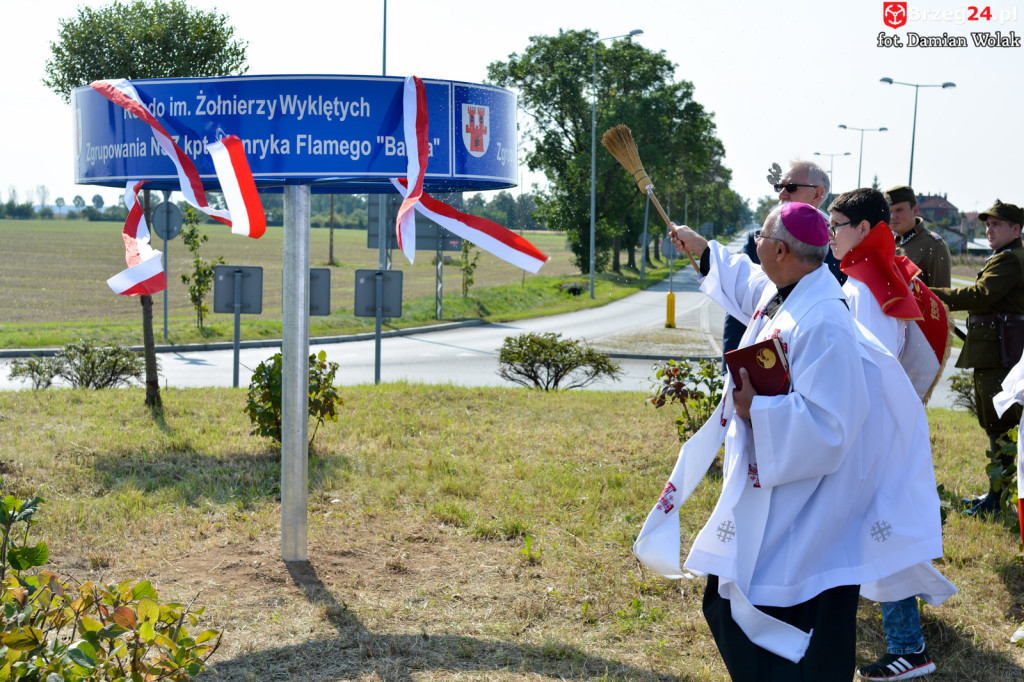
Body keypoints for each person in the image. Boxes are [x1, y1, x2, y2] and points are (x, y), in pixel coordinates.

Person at [633, 203, 949, 680]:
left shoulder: (824, 321)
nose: (754, 243)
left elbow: (831, 425)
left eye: (759, 236)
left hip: (806, 506)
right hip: (782, 492)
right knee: (751, 609)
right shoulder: (793, 291)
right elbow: (747, 282)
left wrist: (755, 409)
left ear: (781, 251)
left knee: (788, 620)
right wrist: (703, 250)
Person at [828, 188, 955, 680]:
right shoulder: (880, 271)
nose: (830, 234)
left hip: (872, 431)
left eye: (837, 225)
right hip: (882, 426)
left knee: (883, 535)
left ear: (863, 229)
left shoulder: (865, 286)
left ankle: (908, 647)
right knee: (875, 533)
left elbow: (868, 368)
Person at [931, 200, 1024, 517]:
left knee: (1000, 425)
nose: (989, 229)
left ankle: (997, 500)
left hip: (1000, 355)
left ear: (1015, 229)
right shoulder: (1005, 256)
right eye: (987, 224)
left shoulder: (1010, 259)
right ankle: (996, 495)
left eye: (996, 224)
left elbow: (980, 295)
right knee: (996, 426)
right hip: (995, 351)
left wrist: (930, 294)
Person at [723, 160, 845, 356]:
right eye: (779, 187)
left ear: (818, 194)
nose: (781, 194)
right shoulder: (761, 239)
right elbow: (741, 301)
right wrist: (731, 364)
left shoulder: (840, 246)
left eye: (791, 187)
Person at [884, 186, 952, 289]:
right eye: (889, 211)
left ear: (915, 211)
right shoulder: (886, 242)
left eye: (899, 210)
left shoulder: (934, 245)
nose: (893, 216)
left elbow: (942, 293)